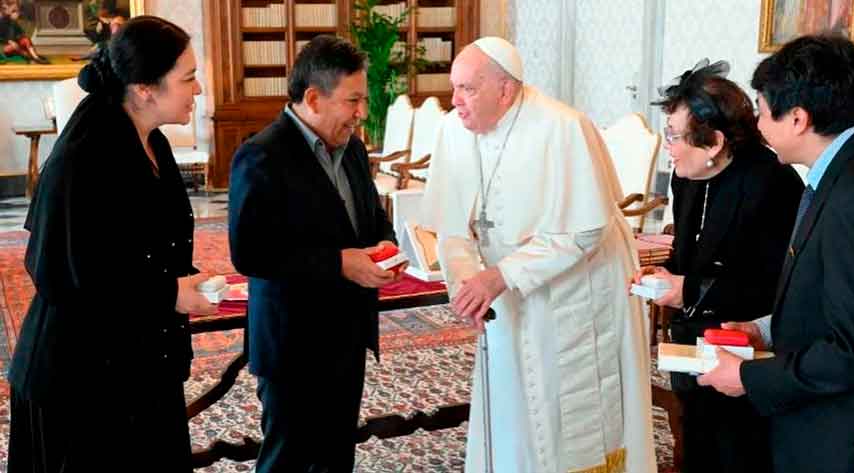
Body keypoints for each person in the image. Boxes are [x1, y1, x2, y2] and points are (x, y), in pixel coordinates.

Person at [421, 36, 656, 473]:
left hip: (577, 285)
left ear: (505, 91)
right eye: (454, 88)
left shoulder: (563, 127)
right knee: (512, 393)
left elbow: (584, 231)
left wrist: (498, 276)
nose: (456, 102)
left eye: (467, 89)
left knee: (564, 403)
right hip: (506, 286)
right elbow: (452, 228)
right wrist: (467, 282)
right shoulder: (454, 130)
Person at [6, 16, 215, 473]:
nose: (197, 89)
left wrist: (181, 280)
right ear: (144, 88)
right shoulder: (85, 157)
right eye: (188, 78)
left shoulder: (150, 140)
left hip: (135, 367)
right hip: (80, 383)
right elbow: (69, 276)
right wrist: (170, 292)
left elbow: (142, 248)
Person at [698, 34, 854, 473]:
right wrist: (764, 331)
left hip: (848, 438)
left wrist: (749, 377)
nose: (757, 126)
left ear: (797, 119)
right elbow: (848, 303)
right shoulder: (853, 168)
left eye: (763, 112)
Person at [228, 35, 402, 472]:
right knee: (288, 460)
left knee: (336, 456)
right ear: (313, 98)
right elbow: (250, 253)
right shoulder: (260, 155)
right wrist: (341, 262)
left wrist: (385, 242)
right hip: (292, 343)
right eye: (353, 100)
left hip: (347, 335)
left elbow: (373, 218)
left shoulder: (355, 149)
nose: (362, 113)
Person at [634, 59, 803, 473]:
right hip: (690, 344)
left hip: (746, 347)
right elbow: (686, 254)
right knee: (697, 444)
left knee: (738, 452)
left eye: (674, 137)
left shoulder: (771, 184)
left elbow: (777, 286)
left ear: (714, 144)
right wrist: (662, 277)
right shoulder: (686, 174)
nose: (667, 146)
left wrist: (688, 289)